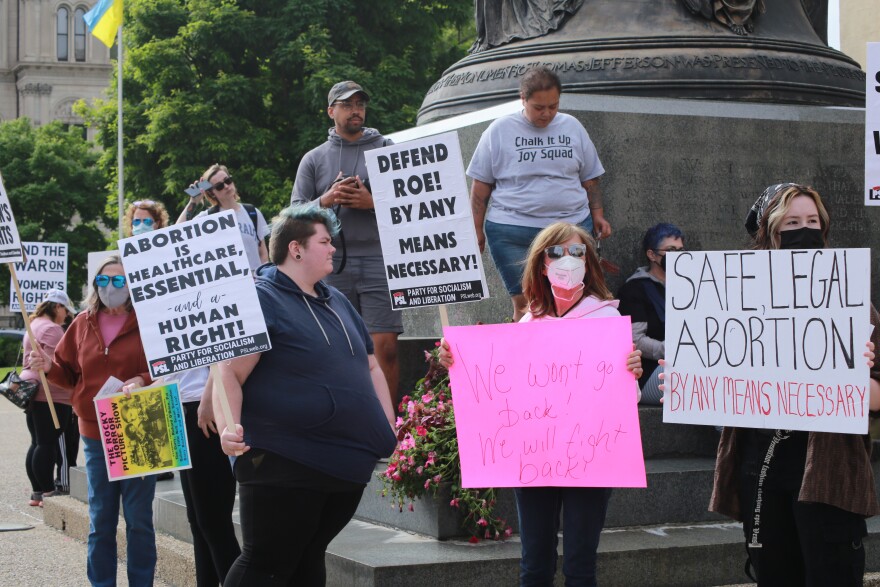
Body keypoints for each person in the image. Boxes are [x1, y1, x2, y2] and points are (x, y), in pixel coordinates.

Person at [439, 221, 642, 586]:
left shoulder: (608, 318)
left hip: (588, 459)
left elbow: (624, 401)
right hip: (534, 460)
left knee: (580, 566)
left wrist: (631, 374)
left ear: (589, 261)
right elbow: (502, 386)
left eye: (577, 252)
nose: (568, 260)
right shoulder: (528, 321)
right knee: (534, 565)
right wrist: (458, 362)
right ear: (542, 263)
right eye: (557, 252)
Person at [217, 205, 398, 586]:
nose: (333, 249)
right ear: (296, 248)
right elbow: (229, 371)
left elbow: (371, 367)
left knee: (306, 560)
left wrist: (387, 424)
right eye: (325, 241)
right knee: (264, 563)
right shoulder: (261, 298)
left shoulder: (338, 300)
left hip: (344, 466)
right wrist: (229, 427)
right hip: (284, 460)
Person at [709, 183, 880, 586]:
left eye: (812, 222)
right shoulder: (736, 301)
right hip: (761, 468)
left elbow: (875, 398)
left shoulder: (853, 301)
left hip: (827, 473)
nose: (804, 230)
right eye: (791, 223)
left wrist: (855, 375)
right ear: (768, 232)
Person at [29, 255, 157, 587]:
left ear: (131, 287)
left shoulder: (148, 320)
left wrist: (142, 379)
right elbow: (67, 374)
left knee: (139, 520)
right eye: (103, 281)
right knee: (101, 519)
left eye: (118, 281)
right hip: (95, 432)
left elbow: (165, 366)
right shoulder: (81, 324)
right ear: (94, 285)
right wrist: (46, 365)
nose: (110, 288)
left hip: (139, 425)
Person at [467, 67, 610, 321]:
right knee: (527, 305)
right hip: (513, 230)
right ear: (523, 99)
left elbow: (590, 179)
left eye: (553, 106)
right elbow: (481, 187)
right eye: (538, 107)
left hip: (570, 227)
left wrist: (598, 214)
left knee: (578, 297)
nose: (547, 114)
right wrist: (475, 229)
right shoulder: (499, 130)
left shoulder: (572, 127)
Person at [291, 80, 402, 407]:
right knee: (340, 348)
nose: (356, 110)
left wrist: (372, 202)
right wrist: (325, 200)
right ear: (331, 111)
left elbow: (413, 202)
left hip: (381, 259)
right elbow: (292, 212)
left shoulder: (387, 148)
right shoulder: (314, 158)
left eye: (360, 104)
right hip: (331, 264)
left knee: (386, 347)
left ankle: (388, 429)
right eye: (347, 104)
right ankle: (353, 423)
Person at [165, 211, 241, 586]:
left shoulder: (219, 288)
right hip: (175, 407)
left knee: (214, 520)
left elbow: (229, 348)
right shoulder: (165, 297)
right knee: (198, 519)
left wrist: (211, 392)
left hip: (205, 408)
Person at [617, 223, 685, 405]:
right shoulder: (635, 289)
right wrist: (675, 351)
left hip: (684, 365)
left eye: (681, 250)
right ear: (652, 255)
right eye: (671, 250)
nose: (678, 256)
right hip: (649, 373)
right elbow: (636, 340)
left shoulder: (688, 286)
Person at [21, 289, 75, 507]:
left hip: (34, 393)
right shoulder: (52, 329)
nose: (67, 317)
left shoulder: (34, 325)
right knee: (47, 444)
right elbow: (55, 364)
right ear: (57, 307)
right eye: (65, 311)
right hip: (51, 395)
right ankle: (48, 492)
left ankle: (37, 492)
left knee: (37, 443)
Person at [178, 163, 270, 271]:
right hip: (228, 284)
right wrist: (193, 202)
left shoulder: (252, 212)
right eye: (219, 186)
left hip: (257, 283)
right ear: (212, 193)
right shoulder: (208, 218)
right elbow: (176, 233)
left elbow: (263, 252)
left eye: (228, 180)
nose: (226, 186)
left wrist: (263, 277)